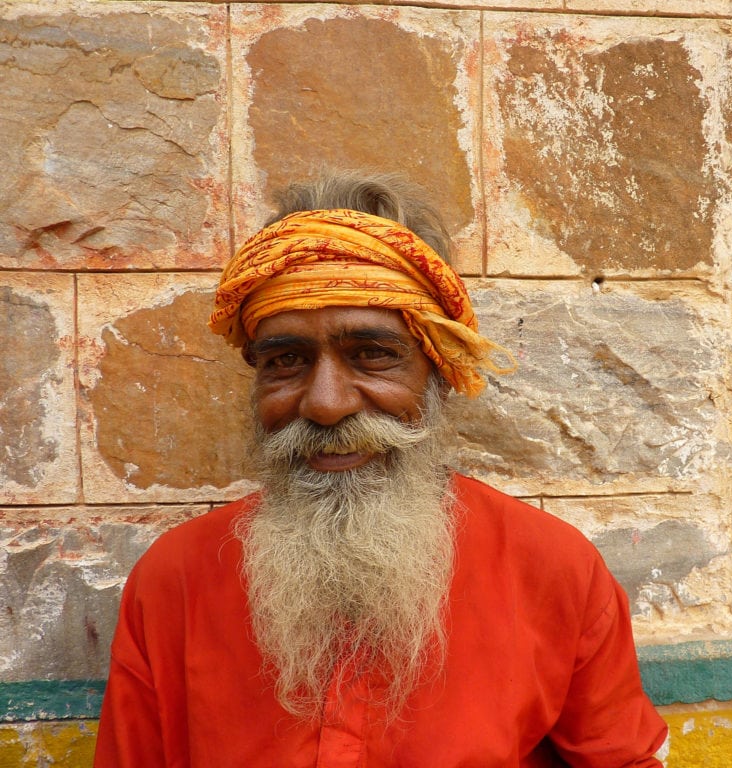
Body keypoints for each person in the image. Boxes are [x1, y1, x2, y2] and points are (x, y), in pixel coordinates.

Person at [94, 171, 669, 766]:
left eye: (372, 355)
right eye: (286, 360)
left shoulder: (555, 570)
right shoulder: (172, 583)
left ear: (439, 372)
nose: (325, 403)